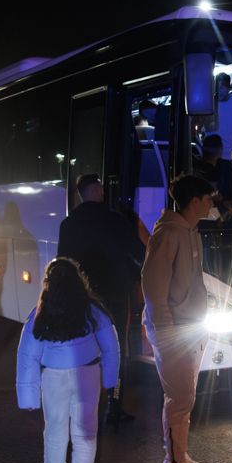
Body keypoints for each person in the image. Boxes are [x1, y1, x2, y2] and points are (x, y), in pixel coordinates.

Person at [15, 258, 120, 463]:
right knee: (85, 431)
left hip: (52, 377)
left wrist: (28, 398)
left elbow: (27, 356)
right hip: (88, 374)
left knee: (55, 428)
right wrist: (109, 380)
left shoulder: (40, 313)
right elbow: (111, 348)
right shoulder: (93, 310)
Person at [142, 174, 217, 463]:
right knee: (180, 399)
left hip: (190, 327)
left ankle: (179, 458)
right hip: (175, 330)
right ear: (194, 202)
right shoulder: (170, 233)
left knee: (184, 397)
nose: (212, 203)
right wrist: (166, 330)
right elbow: (152, 285)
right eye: (208, 197)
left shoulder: (190, 231)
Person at [56, 174, 144, 430]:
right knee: (115, 352)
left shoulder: (69, 224)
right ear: (97, 191)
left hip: (82, 298)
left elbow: (62, 264)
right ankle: (114, 407)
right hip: (115, 296)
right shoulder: (115, 221)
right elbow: (137, 253)